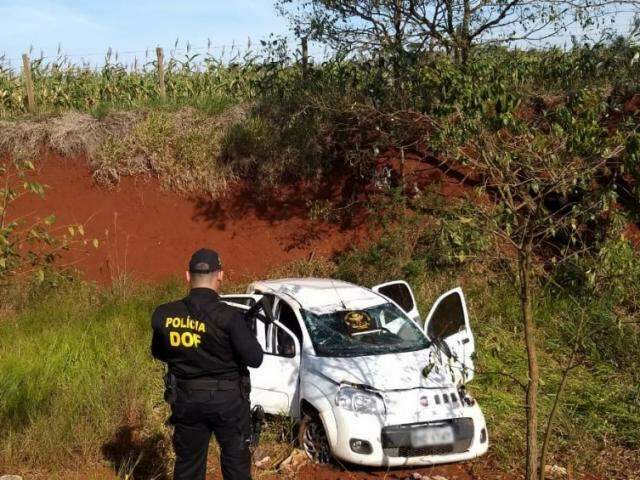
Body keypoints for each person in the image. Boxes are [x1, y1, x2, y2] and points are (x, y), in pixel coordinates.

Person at [151, 248, 264, 480]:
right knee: (236, 467)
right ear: (220, 275)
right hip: (229, 404)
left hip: (186, 401)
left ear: (187, 276)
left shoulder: (164, 314)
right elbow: (255, 358)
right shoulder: (230, 317)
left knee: (188, 466)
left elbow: (159, 352)